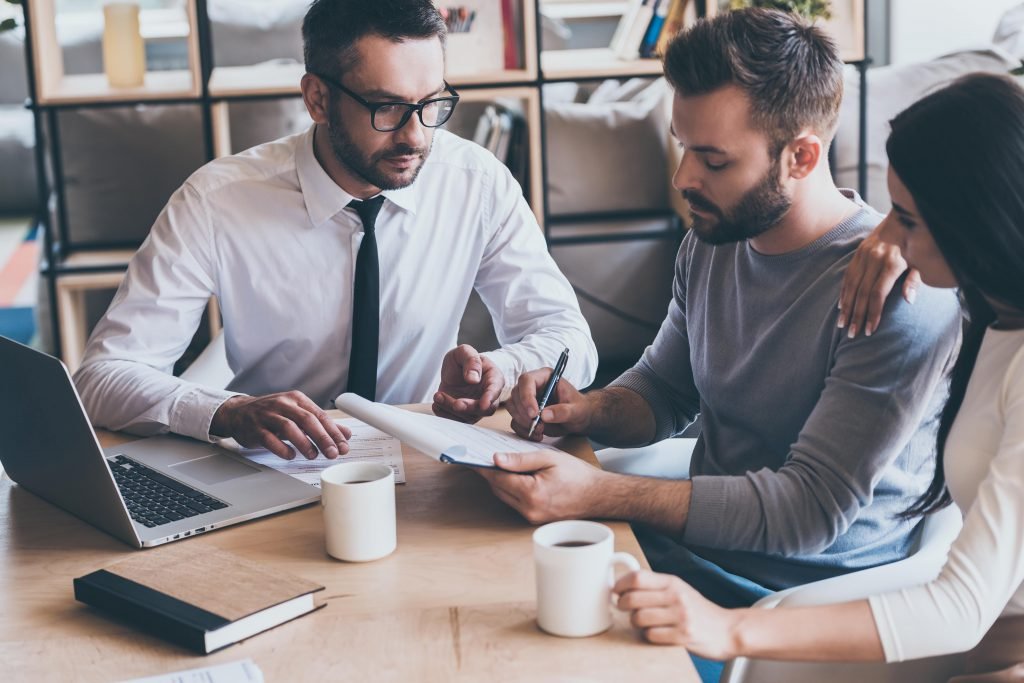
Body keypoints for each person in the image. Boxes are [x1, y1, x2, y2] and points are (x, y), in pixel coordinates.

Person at [478, 6, 961, 618]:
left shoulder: (895, 295)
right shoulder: (712, 243)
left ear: (802, 158)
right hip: (688, 557)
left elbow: (808, 513)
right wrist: (585, 408)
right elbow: (664, 391)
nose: (684, 178)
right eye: (683, 147)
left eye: (714, 160)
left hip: (791, 601)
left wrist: (602, 493)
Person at [613, 72, 1024, 683]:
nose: (887, 238)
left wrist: (728, 628)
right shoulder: (995, 308)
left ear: (976, 222)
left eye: (906, 219)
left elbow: (962, 609)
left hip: (970, 633)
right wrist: (894, 230)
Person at [72, 0, 597, 461]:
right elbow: (102, 377)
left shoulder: (477, 184)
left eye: (432, 103)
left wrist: (500, 370)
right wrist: (228, 412)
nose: (415, 135)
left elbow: (571, 339)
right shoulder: (216, 201)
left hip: (426, 456)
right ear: (318, 99)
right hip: (271, 466)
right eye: (387, 107)